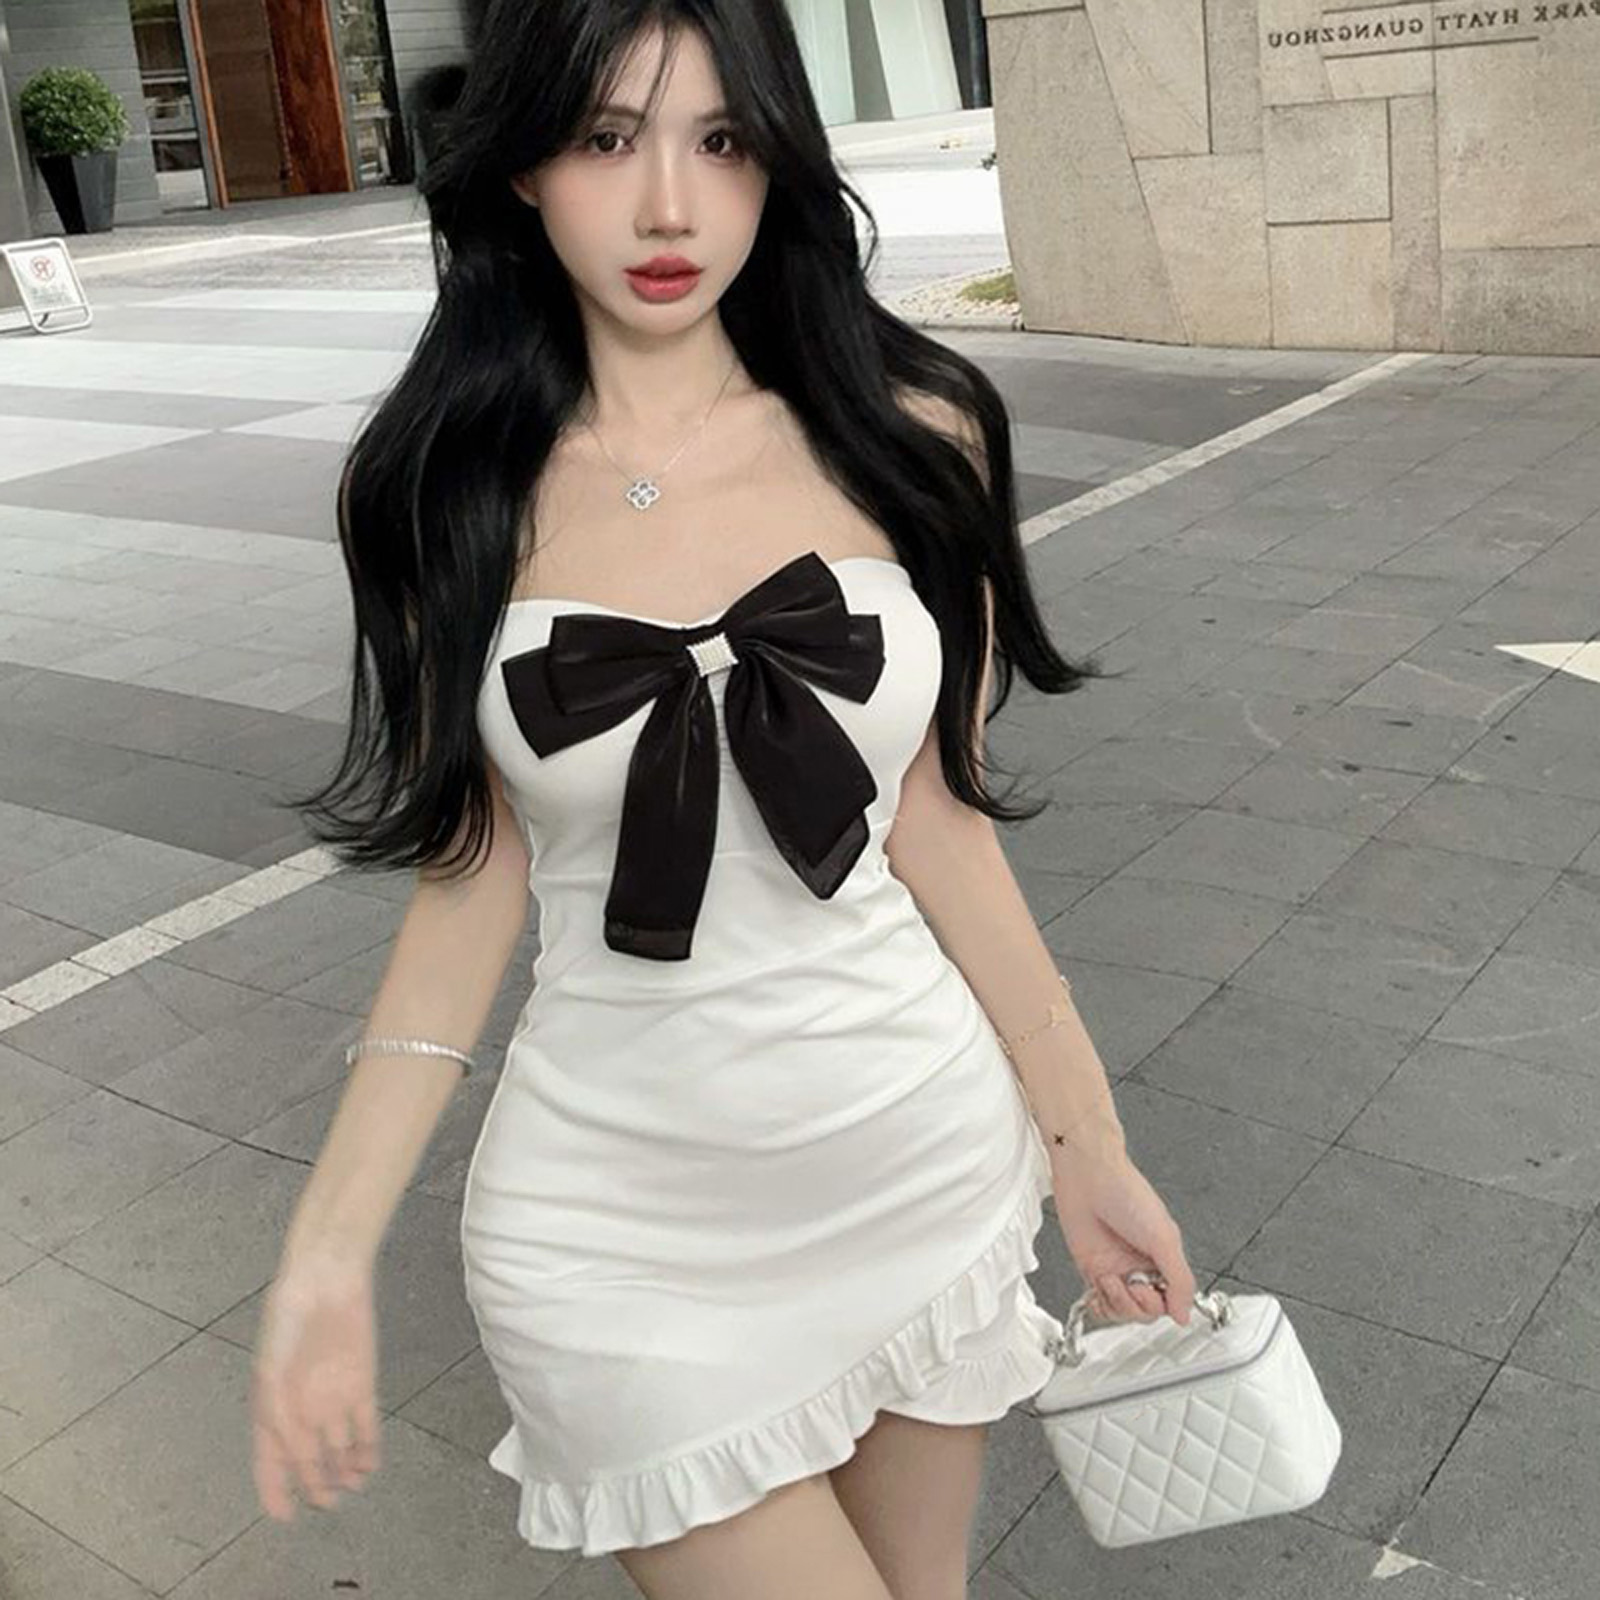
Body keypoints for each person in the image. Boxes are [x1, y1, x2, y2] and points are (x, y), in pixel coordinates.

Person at [250, 3, 1198, 1595]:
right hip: (614, 1243)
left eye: (723, 141)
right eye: (607, 138)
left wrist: (1085, 1148)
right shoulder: (437, 486)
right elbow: (467, 883)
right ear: (523, 163)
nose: (671, 207)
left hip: (912, 1162)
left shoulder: (918, 434)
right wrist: (329, 1251)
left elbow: (940, 823)